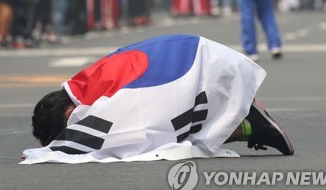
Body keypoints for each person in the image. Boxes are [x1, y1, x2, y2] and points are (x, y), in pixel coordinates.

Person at [22, 34, 294, 164]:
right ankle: (242, 122)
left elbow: (122, 133)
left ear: (69, 116)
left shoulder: (90, 95)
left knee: (143, 138)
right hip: (198, 57)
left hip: (197, 67)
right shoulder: (86, 82)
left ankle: (244, 123)